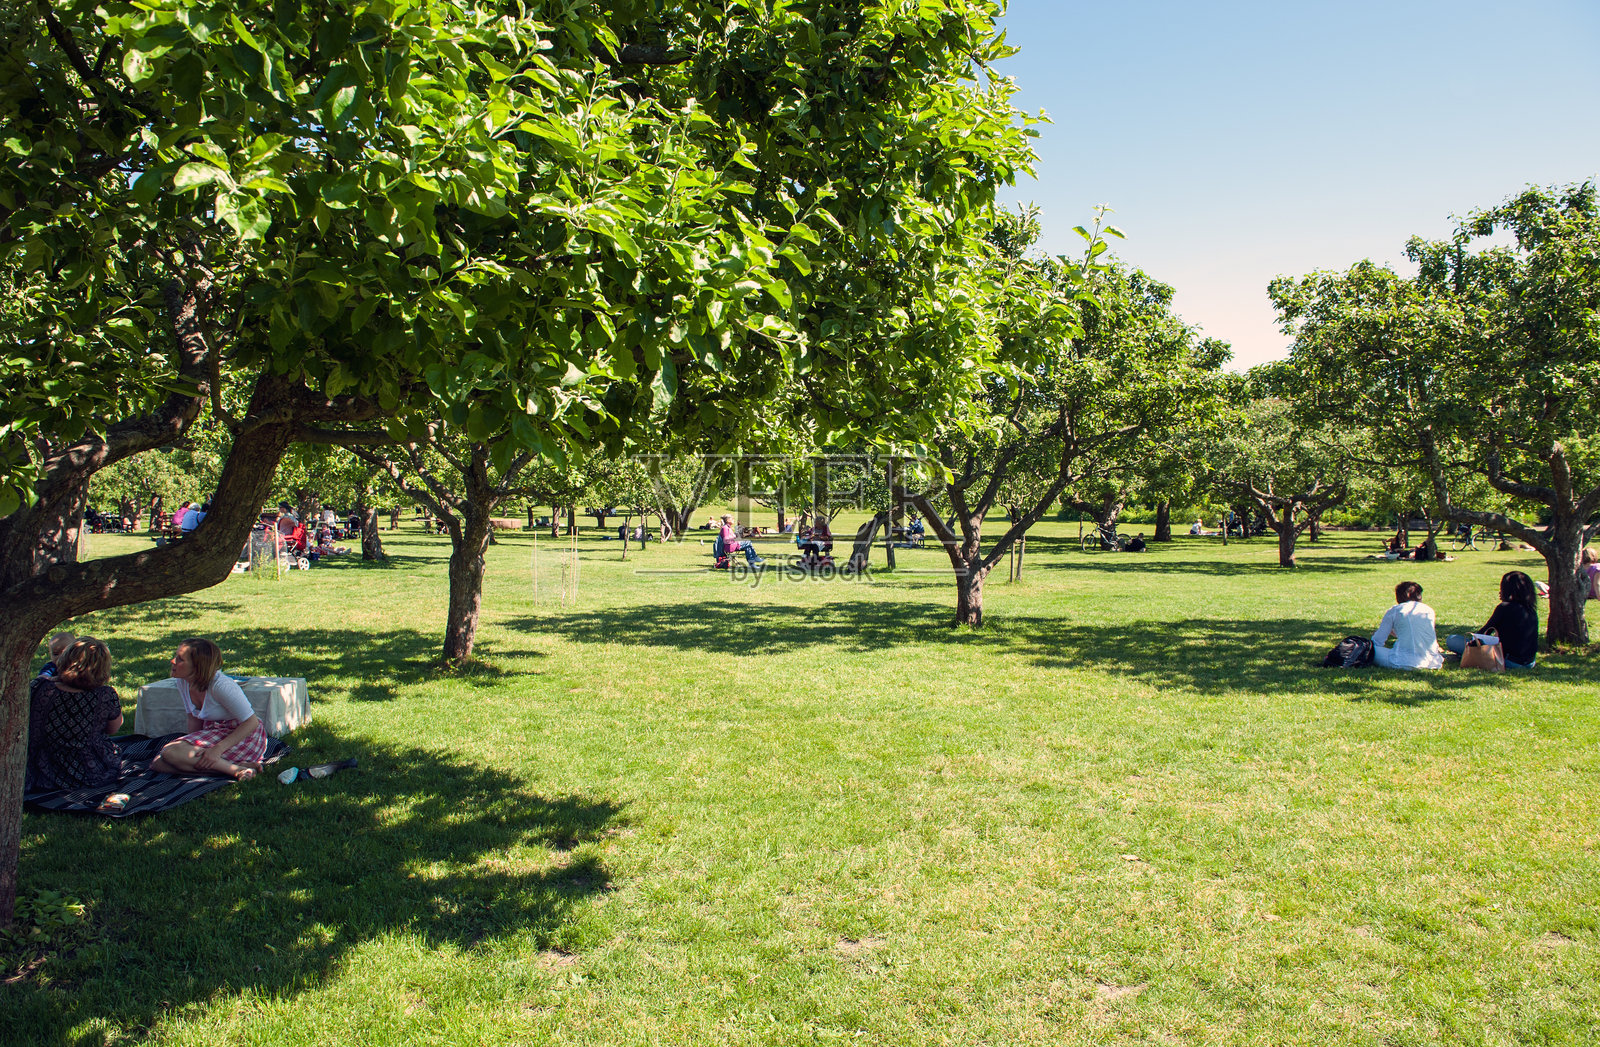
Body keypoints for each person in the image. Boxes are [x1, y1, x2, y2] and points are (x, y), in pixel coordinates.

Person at [151, 638, 267, 780]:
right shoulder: (183, 681)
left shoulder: (221, 686)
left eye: (180, 659)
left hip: (242, 735)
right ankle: (235, 768)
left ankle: (235, 770)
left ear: (197, 667)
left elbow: (251, 722)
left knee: (171, 752)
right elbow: (193, 718)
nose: (173, 661)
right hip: (214, 730)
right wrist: (190, 745)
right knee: (159, 764)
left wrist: (217, 750)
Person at [26, 637, 123, 791]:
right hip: (85, 770)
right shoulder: (104, 695)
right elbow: (114, 728)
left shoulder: (39, 686)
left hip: (39, 768)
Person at [1444, 571, 1540, 669]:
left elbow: (1483, 633)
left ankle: (1463, 656)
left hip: (1508, 660)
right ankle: (1462, 656)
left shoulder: (1504, 607)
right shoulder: (1531, 609)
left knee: (1452, 640)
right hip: (1529, 663)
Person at [1371, 580, 1444, 670]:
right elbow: (1417, 633)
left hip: (1403, 662)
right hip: (1433, 662)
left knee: (1372, 649)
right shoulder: (1429, 610)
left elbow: (1377, 641)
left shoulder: (1395, 610)